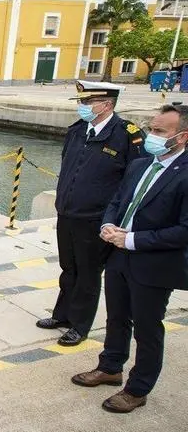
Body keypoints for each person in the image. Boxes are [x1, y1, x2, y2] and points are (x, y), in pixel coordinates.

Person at [72, 104, 188, 413]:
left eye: (160, 131)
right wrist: (108, 224)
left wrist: (133, 240)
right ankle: (110, 366)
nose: (152, 135)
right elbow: (118, 200)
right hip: (118, 256)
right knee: (116, 317)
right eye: (152, 128)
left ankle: (138, 389)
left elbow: (184, 231)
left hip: (153, 265)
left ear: (182, 136)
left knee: (148, 328)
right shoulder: (140, 165)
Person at [37, 81, 145, 346]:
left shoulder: (127, 135)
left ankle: (80, 324)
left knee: (88, 272)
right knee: (69, 268)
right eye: (81, 102)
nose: (82, 107)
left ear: (106, 104)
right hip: (68, 213)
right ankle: (62, 314)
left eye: (87, 102)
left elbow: (132, 182)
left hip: (96, 218)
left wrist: (116, 219)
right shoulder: (77, 131)